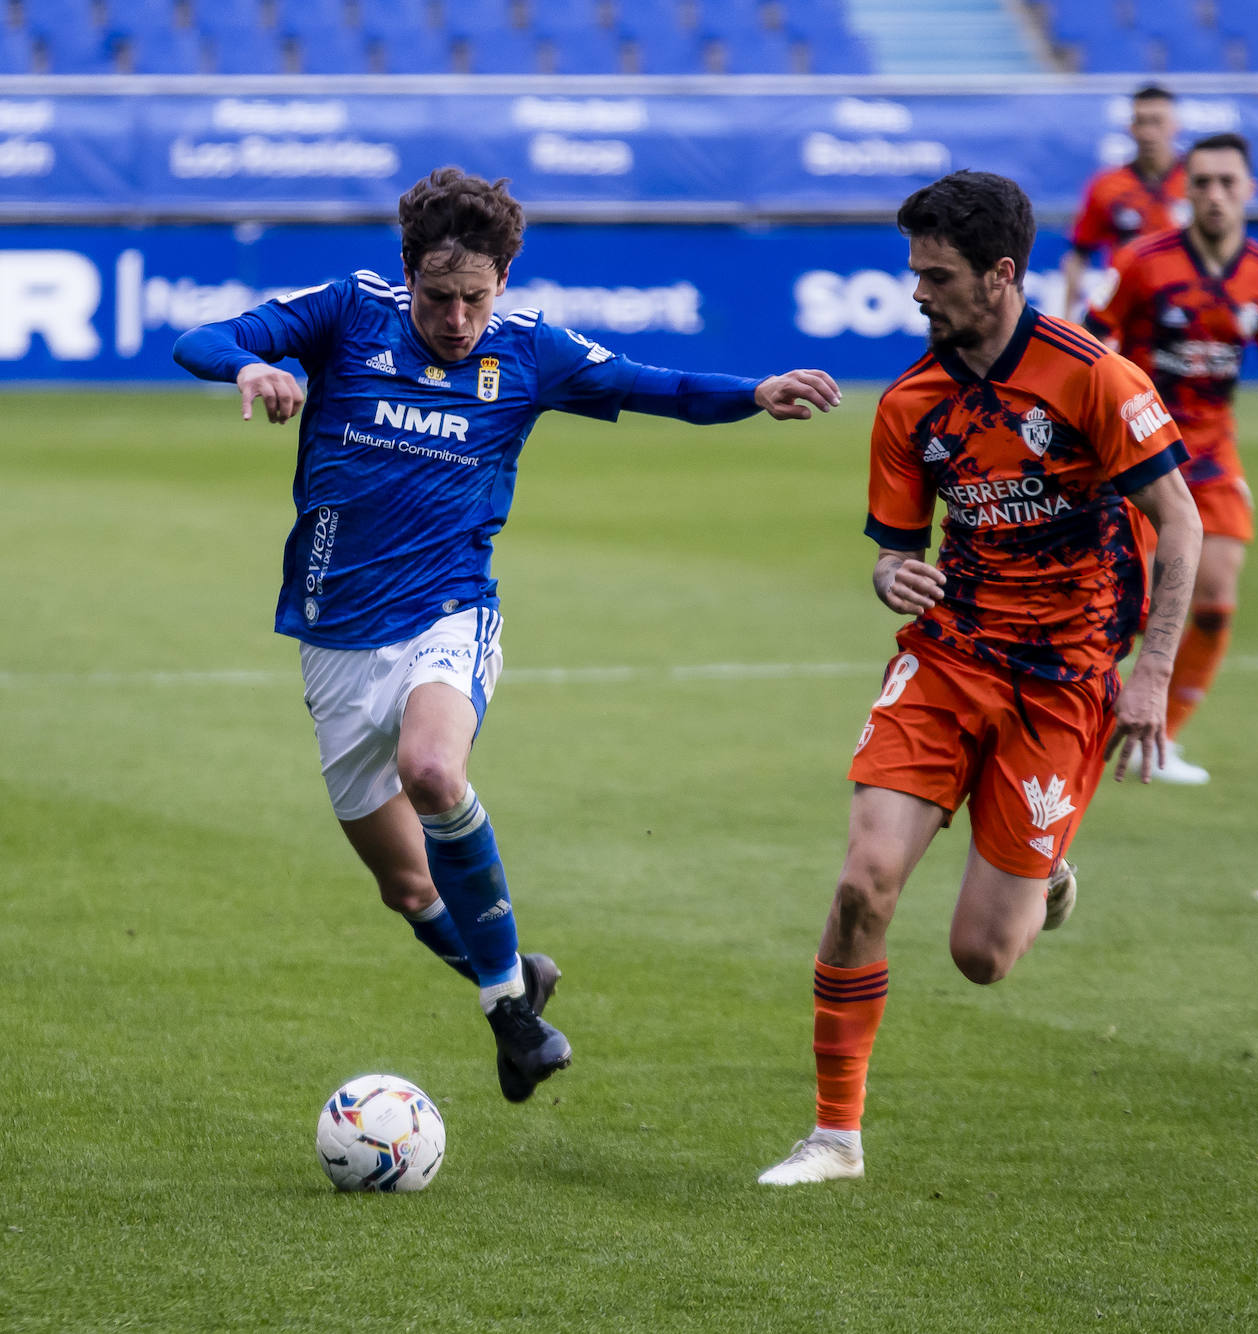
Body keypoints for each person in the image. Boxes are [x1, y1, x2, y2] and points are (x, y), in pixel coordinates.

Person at [172, 166, 841, 1104]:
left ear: (505, 282)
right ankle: (512, 989)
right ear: (407, 274)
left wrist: (754, 391)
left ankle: (514, 1022)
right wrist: (249, 364)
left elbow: (659, 386)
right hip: (334, 636)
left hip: (450, 611)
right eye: (439, 297)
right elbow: (201, 337)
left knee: (435, 772)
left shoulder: (529, 353)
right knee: (408, 893)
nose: (456, 319)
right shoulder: (343, 312)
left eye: (475, 299)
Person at [757, 170, 1202, 1186]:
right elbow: (892, 549)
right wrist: (887, 574)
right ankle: (835, 1136)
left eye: (939, 275)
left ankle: (1041, 876)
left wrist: (1151, 678)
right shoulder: (912, 400)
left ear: (1002, 275)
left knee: (982, 956)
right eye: (914, 271)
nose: (920, 293)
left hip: (1068, 678)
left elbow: (1182, 520)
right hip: (948, 658)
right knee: (864, 880)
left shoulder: (1095, 378)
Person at [1084, 132, 1258, 784]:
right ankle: (1085, 725)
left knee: (1216, 597)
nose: (1215, 194)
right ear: (1185, 191)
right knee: (1128, 606)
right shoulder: (1141, 262)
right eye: (1203, 183)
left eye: (1228, 182)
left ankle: (1158, 741)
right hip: (1138, 451)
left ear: (1249, 190)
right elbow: (1089, 347)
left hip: (1213, 453)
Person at [1060, 85, 1189, 321]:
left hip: (1185, 308)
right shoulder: (1105, 186)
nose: (1148, 132)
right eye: (1141, 122)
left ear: (1175, 125)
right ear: (1130, 127)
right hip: (1125, 311)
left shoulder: (1199, 184)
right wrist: (1068, 315)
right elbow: (1079, 254)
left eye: (1157, 121)